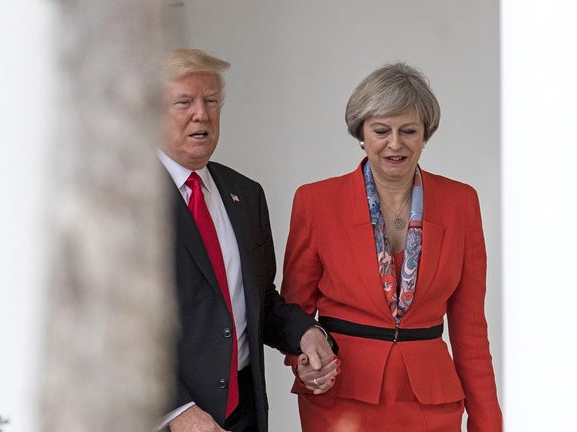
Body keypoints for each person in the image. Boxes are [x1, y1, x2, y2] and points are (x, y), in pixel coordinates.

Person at [281, 63, 502, 431]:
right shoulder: (315, 201)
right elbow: (291, 314)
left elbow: (471, 335)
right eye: (381, 130)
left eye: (409, 131)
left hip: (432, 403)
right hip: (342, 399)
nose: (395, 144)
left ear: (425, 135)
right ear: (361, 134)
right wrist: (303, 364)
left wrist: (488, 424)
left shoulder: (460, 202)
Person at [158, 49, 339, 432]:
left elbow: (261, 300)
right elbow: (117, 327)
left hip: (245, 413)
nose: (201, 114)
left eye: (211, 101)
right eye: (184, 102)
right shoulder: (127, 202)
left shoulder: (245, 194)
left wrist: (307, 334)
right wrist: (177, 412)